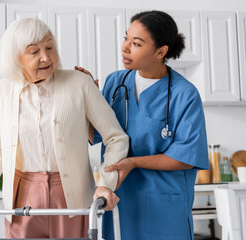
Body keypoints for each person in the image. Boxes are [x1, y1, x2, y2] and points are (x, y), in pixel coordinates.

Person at [0, 18, 128, 239]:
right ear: (15, 58)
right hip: (21, 195)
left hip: (71, 193)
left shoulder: (79, 83)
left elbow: (116, 137)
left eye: (50, 47)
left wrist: (105, 185)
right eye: (34, 52)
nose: (46, 57)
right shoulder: (0, 91)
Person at [78, 10, 208, 240]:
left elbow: (186, 156)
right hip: (119, 202)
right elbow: (97, 135)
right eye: (125, 38)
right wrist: (88, 99)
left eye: (136, 43)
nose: (125, 48)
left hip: (165, 206)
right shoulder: (115, 82)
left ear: (161, 51)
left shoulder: (184, 94)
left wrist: (133, 162)